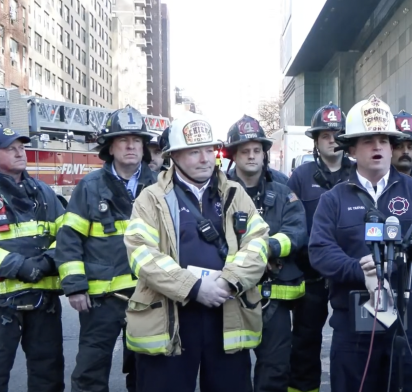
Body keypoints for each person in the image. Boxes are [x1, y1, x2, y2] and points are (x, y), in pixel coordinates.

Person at [309, 95, 412, 392]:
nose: (377, 147)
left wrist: (398, 263)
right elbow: (320, 250)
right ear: (351, 149)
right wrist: (359, 270)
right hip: (354, 326)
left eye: (384, 140)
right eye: (367, 141)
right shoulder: (332, 200)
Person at [122, 112, 269, 392]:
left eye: (208, 150)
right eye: (193, 152)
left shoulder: (235, 194)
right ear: (173, 156)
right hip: (171, 317)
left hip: (227, 311)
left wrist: (228, 282)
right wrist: (194, 288)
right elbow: (142, 254)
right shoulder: (151, 198)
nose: (204, 159)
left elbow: (258, 243)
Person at [55, 105, 157, 392]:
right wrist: (74, 286)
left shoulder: (160, 186)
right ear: (110, 148)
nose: (130, 146)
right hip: (101, 301)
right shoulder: (89, 187)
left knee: (147, 370)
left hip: (148, 296)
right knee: (90, 371)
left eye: (136, 140)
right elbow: (69, 239)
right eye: (123, 140)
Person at [223, 115, 307, 392]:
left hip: (275, 297)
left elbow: (296, 232)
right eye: (244, 151)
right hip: (228, 296)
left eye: (256, 150)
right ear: (233, 155)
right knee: (230, 370)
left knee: (275, 367)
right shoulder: (215, 192)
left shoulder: (283, 192)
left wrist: (266, 249)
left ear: (264, 153)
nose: (251, 156)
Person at [287, 102, 354, 392]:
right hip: (310, 275)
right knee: (305, 341)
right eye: (325, 135)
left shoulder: (358, 173)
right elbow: (288, 221)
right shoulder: (300, 178)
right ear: (315, 140)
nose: (332, 139)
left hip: (351, 274)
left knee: (353, 339)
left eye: (338, 134)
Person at [0, 128, 65, 392]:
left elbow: (68, 233)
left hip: (44, 302)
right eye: (10, 148)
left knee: (48, 378)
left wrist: (48, 261)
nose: (20, 153)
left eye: (22, 147)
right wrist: (20, 266)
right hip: (3, 306)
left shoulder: (44, 193)